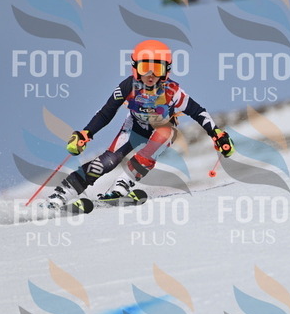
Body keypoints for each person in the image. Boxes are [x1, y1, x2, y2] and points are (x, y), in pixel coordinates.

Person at [45, 39, 234, 208]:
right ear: (135, 68)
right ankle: (63, 194)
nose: (150, 75)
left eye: (157, 69)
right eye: (145, 68)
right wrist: (86, 134)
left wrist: (217, 134)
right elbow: (106, 112)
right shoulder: (128, 86)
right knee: (108, 161)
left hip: (162, 130)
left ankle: (122, 185)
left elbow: (198, 111)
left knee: (165, 134)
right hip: (134, 128)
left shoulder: (172, 91)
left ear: (166, 71)